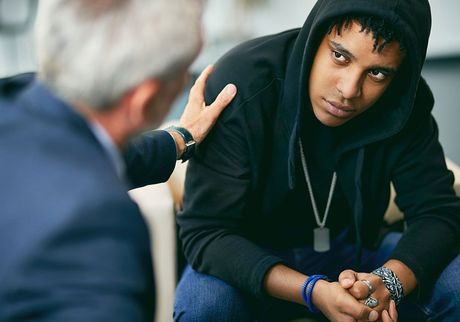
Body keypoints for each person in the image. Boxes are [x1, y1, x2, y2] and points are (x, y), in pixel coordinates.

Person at [174, 0, 460, 321]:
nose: (349, 90)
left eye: (377, 73)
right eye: (340, 56)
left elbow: (438, 214)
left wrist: (387, 283)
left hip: (355, 259)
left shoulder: (405, 101)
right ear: (315, 36)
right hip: (249, 259)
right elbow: (206, 233)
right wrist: (312, 291)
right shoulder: (243, 82)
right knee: (206, 306)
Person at [0, 0, 236, 321]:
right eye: (183, 74)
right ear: (146, 99)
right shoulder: (97, 229)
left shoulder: (15, 100)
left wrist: (180, 137)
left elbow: (81, 149)